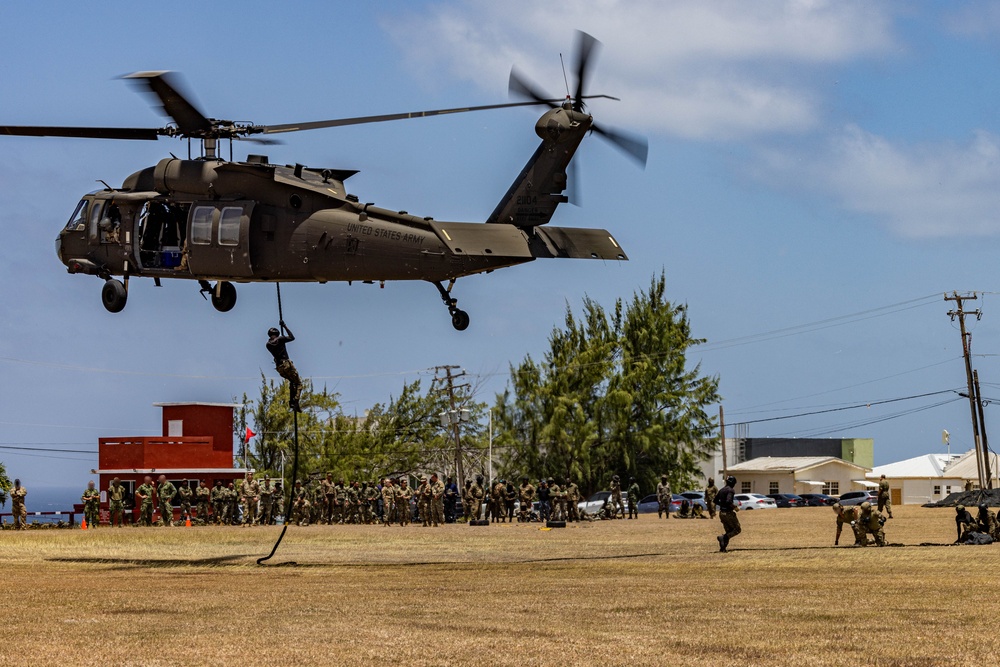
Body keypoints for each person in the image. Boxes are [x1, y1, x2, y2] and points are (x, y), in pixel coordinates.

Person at [266, 321, 302, 412]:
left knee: (291, 382)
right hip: (286, 365)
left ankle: (291, 401)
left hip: (280, 368)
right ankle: (296, 402)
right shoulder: (280, 339)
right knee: (298, 384)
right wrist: (285, 326)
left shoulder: (268, 345)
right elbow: (292, 337)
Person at [715, 475, 740, 553]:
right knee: (737, 529)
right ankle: (722, 537)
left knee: (729, 531)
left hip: (721, 513)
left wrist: (722, 505)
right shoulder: (730, 490)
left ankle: (723, 548)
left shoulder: (721, 490)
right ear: (732, 483)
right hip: (728, 513)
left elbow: (715, 500)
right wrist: (734, 507)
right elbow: (728, 501)